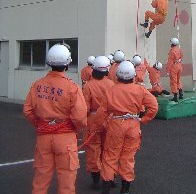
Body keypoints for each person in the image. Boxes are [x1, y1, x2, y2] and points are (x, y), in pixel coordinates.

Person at [23, 44, 87, 194]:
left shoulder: (37, 85)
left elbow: (27, 110)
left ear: (48, 63)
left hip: (43, 137)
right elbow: (80, 116)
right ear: (68, 63)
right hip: (65, 137)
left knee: (40, 179)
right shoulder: (72, 87)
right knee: (66, 181)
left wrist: (41, 124)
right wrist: (75, 129)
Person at [91, 61, 158, 194]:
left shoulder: (112, 90)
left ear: (117, 76)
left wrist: (97, 126)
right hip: (133, 125)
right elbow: (154, 106)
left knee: (110, 157)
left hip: (116, 124)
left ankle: (106, 188)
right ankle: (125, 190)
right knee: (128, 158)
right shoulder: (140, 90)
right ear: (133, 76)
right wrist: (144, 119)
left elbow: (102, 112)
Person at [82, 56, 115, 189]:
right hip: (110, 119)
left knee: (93, 149)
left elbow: (85, 108)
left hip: (93, 120)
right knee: (110, 149)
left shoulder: (88, 86)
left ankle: (96, 181)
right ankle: (110, 178)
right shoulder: (112, 84)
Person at [166, 37, 184, 102]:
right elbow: (181, 57)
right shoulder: (179, 50)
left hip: (174, 67)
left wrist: (168, 70)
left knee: (173, 81)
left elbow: (170, 62)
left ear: (172, 44)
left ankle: (175, 96)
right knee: (178, 80)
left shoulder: (172, 51)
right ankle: (181, 94)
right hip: (179, 66)